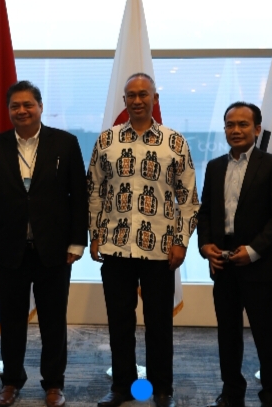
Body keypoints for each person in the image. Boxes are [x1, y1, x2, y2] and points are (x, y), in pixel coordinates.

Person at [87, 73, 199, 407]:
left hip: (161, 250)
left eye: (143, 94)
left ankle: (161, 389)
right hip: (115, 247)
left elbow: (189, 199)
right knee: (119, 322)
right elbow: (94, 192)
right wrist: (95, 235)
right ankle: (123, 387)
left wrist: (181, 241)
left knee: (159, 324)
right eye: (131, 95)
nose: (137, 100)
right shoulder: (106, 141)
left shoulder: (174, 142)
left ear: (155, 98)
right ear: (124, 100)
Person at [0, 80, 87, 407]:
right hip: (9, 250)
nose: (22, 111)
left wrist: (77, 242)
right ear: (8, 110)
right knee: (11, 321)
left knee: (53, 321)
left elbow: (79, 197)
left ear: (40, 107)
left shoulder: (65, 143)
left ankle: (54, 383)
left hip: (54, 250)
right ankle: (11, 381)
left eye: (28, 105)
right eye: (15, 106)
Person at [198, 102, 272, 407]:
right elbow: (205, 213)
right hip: (222, 263)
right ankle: (231, 393)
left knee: (264, 335)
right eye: (230, 124)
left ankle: (270, 396)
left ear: (257, 129)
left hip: (258, 264)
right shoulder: (215, 166)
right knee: (228, 335)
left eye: (242, 124)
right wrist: (205, 246)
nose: (235, 130)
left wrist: (252, 251)